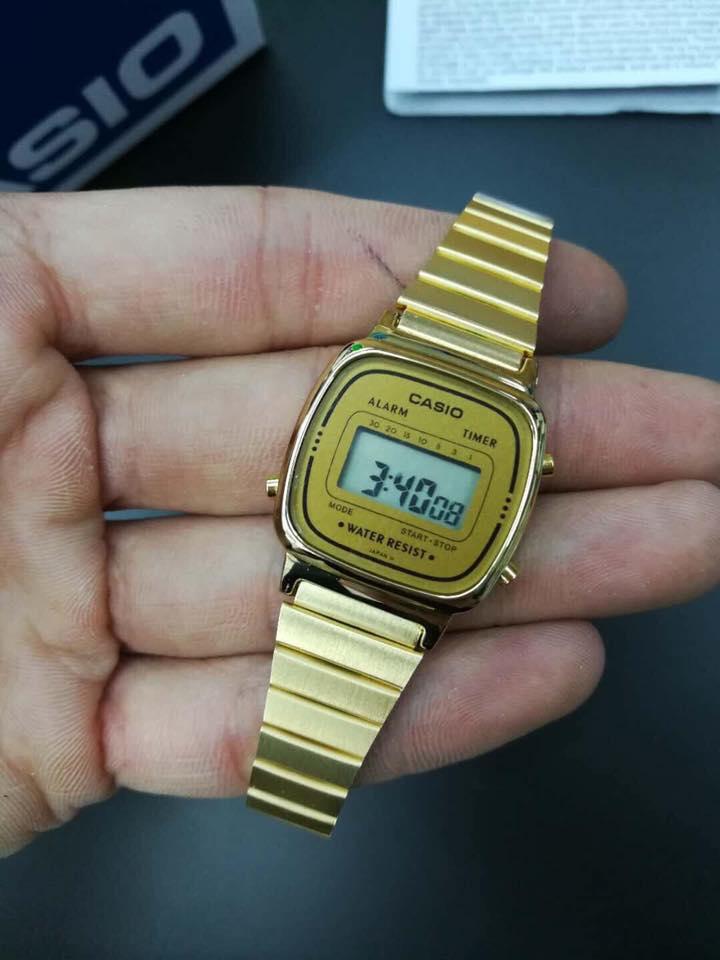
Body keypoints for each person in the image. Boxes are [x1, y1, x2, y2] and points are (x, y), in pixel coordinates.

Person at [0, 186, 717, 858]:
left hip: (406, 582)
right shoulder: (388, 384)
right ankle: (293, 792)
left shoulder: (441, 402)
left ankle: (295, 793)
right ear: (287, 477)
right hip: (336, 557)